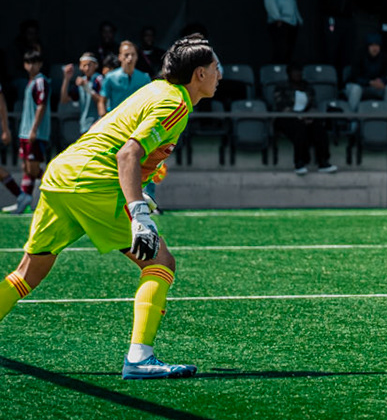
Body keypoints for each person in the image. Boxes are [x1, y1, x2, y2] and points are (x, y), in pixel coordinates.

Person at [0, 36, 222, 379]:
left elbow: (125, 145)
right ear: (199, 74)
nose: (220, 73)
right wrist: (140, 214)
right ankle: (139, 358)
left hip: (62, 175)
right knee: (161, 262)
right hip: (92, 183)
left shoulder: (157, 90)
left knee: (28, 273)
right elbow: (127, 154)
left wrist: (147, 174)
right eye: (215, 67)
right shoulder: (175, 103)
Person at [270, 65, 337, 176]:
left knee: (318, 128)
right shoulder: (281, 87)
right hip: (286, 118)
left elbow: (313, 105)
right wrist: (298, 116)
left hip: (306, 117)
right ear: (289, 74)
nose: (297, 74)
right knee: (299, 128)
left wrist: (309, 116)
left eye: (299, 72)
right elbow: (280, 106)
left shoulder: (307, 87)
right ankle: (299, 163)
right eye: (294, 72)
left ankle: (323, 162)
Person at [11, 49, 52, 214]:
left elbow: (41, 106)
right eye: (29, 63)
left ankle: (54, 187)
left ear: (40, 64)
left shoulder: (41, 82)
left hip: (35, 132)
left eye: (35, 62)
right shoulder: (31, 82)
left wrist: (34, 129)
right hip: (25, 131)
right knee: (27, 168)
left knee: (34, 168)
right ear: (25, 65)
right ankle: (24, 199)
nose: (31, 66)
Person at [343, 36, 387, 109]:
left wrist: (382, 81)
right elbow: (354, 77)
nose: (375, 48)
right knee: (356, 89)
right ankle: (352, 118)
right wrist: (369, 82)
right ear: (367, 47)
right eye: (372, 45)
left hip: (376, 87)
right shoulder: (359, 56)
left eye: (377, 45)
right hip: (359, 86)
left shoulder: (384, 57)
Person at [62, 52, 108, 132]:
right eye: (84, 65)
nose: (87, 68)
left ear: (96, 65)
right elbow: (64, 99)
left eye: (89, 65)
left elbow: (101, 101)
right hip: (84, 127)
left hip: (98, 126)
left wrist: (87, 88)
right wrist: (66, 79)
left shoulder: (99, 80)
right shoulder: (80, 82)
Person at [102, 40, 152, 113]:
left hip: (136, 119)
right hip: (116, 119)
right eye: (126, 55)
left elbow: (149, 100)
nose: (130, 58)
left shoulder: (145, 78)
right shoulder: (110, 77)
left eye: (133, 54)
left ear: (137, 57)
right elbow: (102, 100)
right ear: (120, 57)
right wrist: (104, 118)